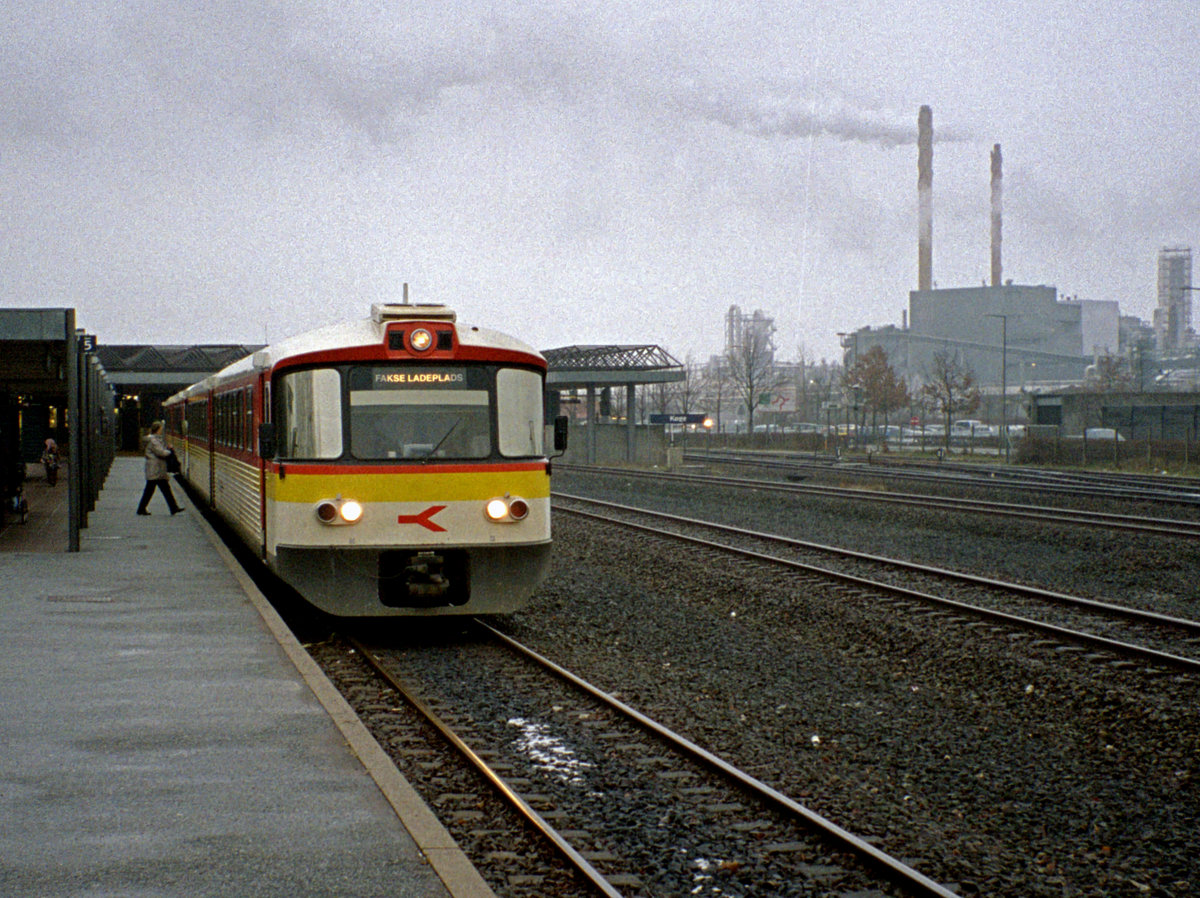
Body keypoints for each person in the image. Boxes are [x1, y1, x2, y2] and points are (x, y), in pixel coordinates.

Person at [137, 421, 182, 516]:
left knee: (162, 489)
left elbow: (159, 450)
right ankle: (141, 509)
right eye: (161, 429)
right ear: (157, 430)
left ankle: (173, 507)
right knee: (153, 490)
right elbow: (160, 452)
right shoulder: (153, 440)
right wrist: (169, 451)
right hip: (155, 469)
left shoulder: (154, 439)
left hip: (156, 468)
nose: (162, 431)